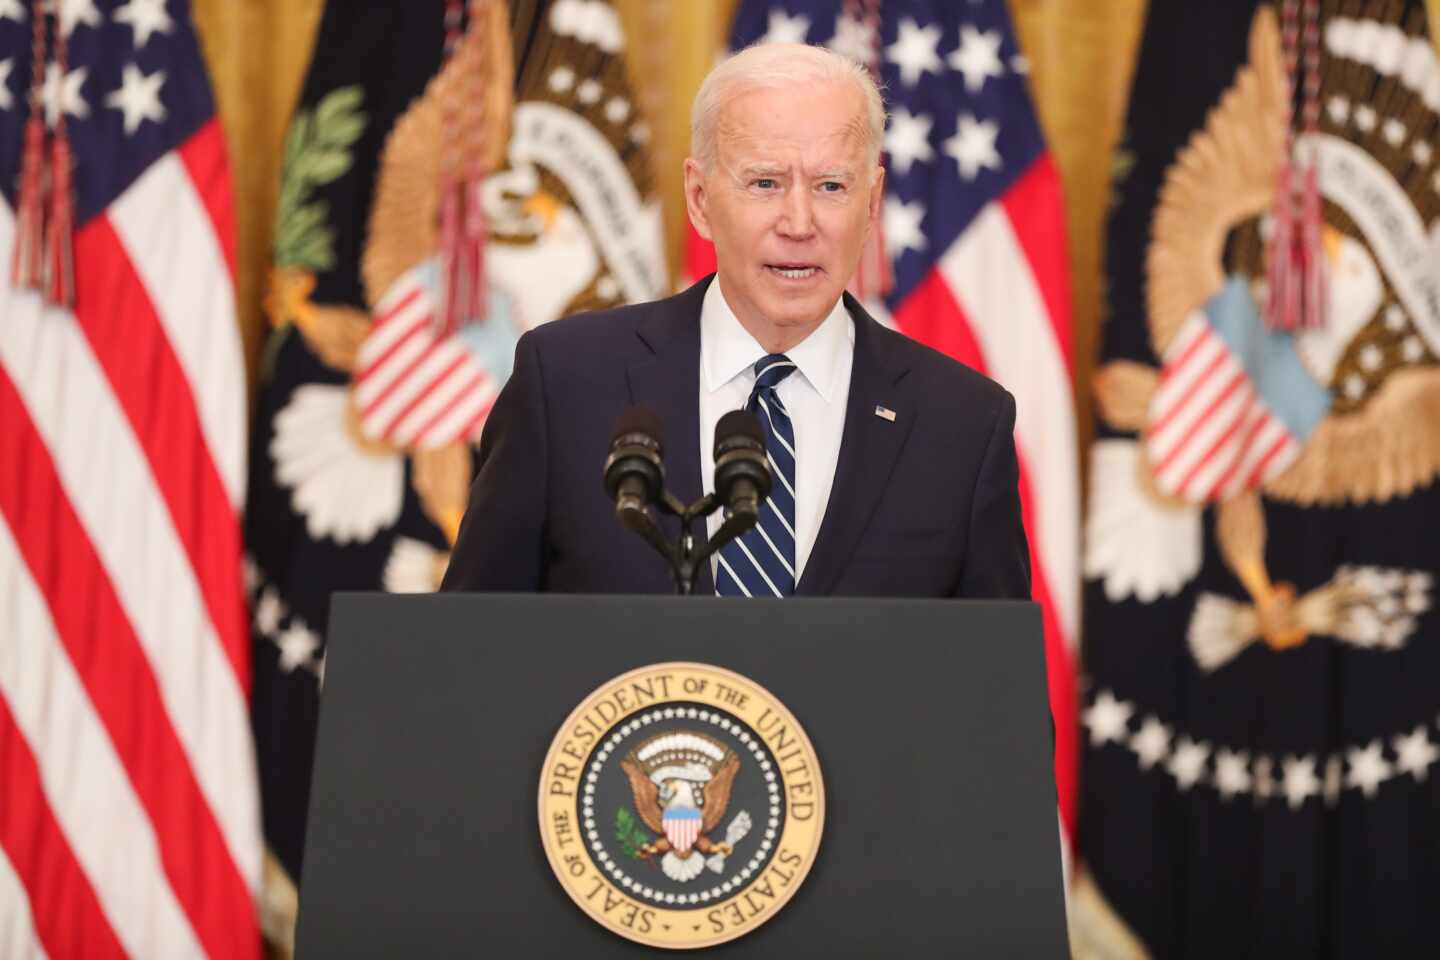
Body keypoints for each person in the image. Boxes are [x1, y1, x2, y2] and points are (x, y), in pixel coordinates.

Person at [440, 43, 1029, 598]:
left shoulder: (963, 424)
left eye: (831, 186)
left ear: (871, 204)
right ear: (699, 198)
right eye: (765, 183)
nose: (799, 223)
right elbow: (471, 650)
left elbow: (996, 694)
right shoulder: (565, 382)